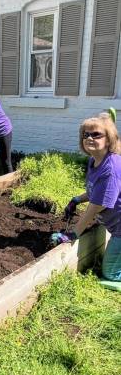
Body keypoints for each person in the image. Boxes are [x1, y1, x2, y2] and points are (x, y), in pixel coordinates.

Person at [51, 108, 121, 287]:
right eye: (86, 134)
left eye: (96, 135)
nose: (89, 138)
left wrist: (73, 234)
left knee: (110, 274)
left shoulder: (111, 169)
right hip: (115, 227)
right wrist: (76, 200)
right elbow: (94, 191)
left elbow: (95, 207)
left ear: (108, 139)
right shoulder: (95, 160)